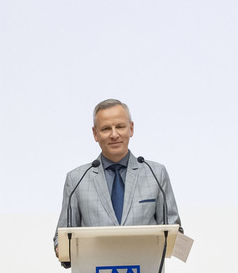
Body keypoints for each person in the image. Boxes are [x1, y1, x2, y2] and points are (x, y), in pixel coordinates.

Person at [54, 99, 180, 262]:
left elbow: (175, 231)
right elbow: (61, 237)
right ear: (95, 134)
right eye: (106, 129)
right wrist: (61, 249)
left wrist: (185, 247)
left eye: (120, 126)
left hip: (145, 271)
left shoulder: (155, 173)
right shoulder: (77, 179)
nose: (114, 135)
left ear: (131, 128)